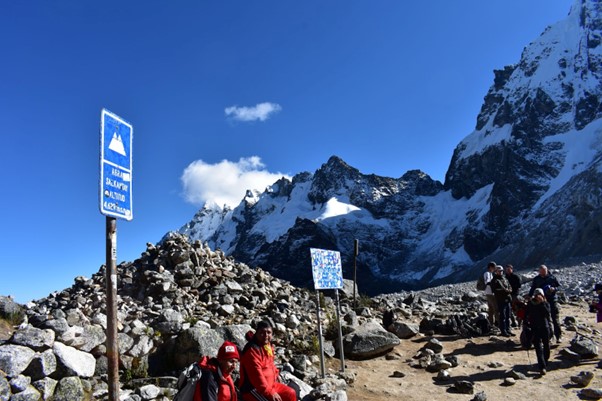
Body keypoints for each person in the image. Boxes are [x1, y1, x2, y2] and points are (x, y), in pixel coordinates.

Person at [239, 321, 297, 401]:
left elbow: (270, 364)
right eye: (262, 332)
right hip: (254, 388)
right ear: (256, 333)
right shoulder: (252, 350)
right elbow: (256, 375)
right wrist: (270, 392)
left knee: (291, 393)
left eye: (269, 332)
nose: (266, 335)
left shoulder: (267, 346)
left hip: (271, 385)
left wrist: (276, 374)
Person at [529, 265, 562, 343]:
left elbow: (559, 287)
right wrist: (530, 297)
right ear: (539, 272)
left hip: (552, 300)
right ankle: (549, 337)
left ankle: (558, 336)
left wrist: (554, 289)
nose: (543, 273)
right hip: (542, 301)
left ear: (547, 270)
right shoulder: (537, 279)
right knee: (546, 319)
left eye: (544, 271)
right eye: (541, 271)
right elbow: (533, 288)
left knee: (555, 318)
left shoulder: (552, 278)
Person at [524, 288, 552, 375]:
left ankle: (545, 361)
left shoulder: (545, 303)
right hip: (534, 327)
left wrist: (542, 303)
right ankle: (542, 366)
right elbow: (526, 314)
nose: (537, 297)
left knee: (546, 345)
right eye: (536, 295)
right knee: (538, 347)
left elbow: (547, 314)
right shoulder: (530, 304)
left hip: (545, 327)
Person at [490, 265, 513, 336]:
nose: (501, 272)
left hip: (507, 299)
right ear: (496, 272)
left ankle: (508, 329)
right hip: (500, 299)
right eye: (499, 271)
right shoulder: (494, 280)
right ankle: (503, 331)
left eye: (502, 271)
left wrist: (509, 290)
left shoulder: (504, 279)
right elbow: (494, 290)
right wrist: (504, 291)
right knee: (502, 316)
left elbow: (509, 286)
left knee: (508, 315)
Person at [483, 261, 498, 328]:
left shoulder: (490, 274)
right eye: (494, 267)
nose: (494, 268)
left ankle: (491, 323)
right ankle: (498, 323)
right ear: (491, 267)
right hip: (490, 293)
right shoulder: (487, 274)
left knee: (491, 309)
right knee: (495, 308)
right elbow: (487, 282)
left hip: (488, 293)